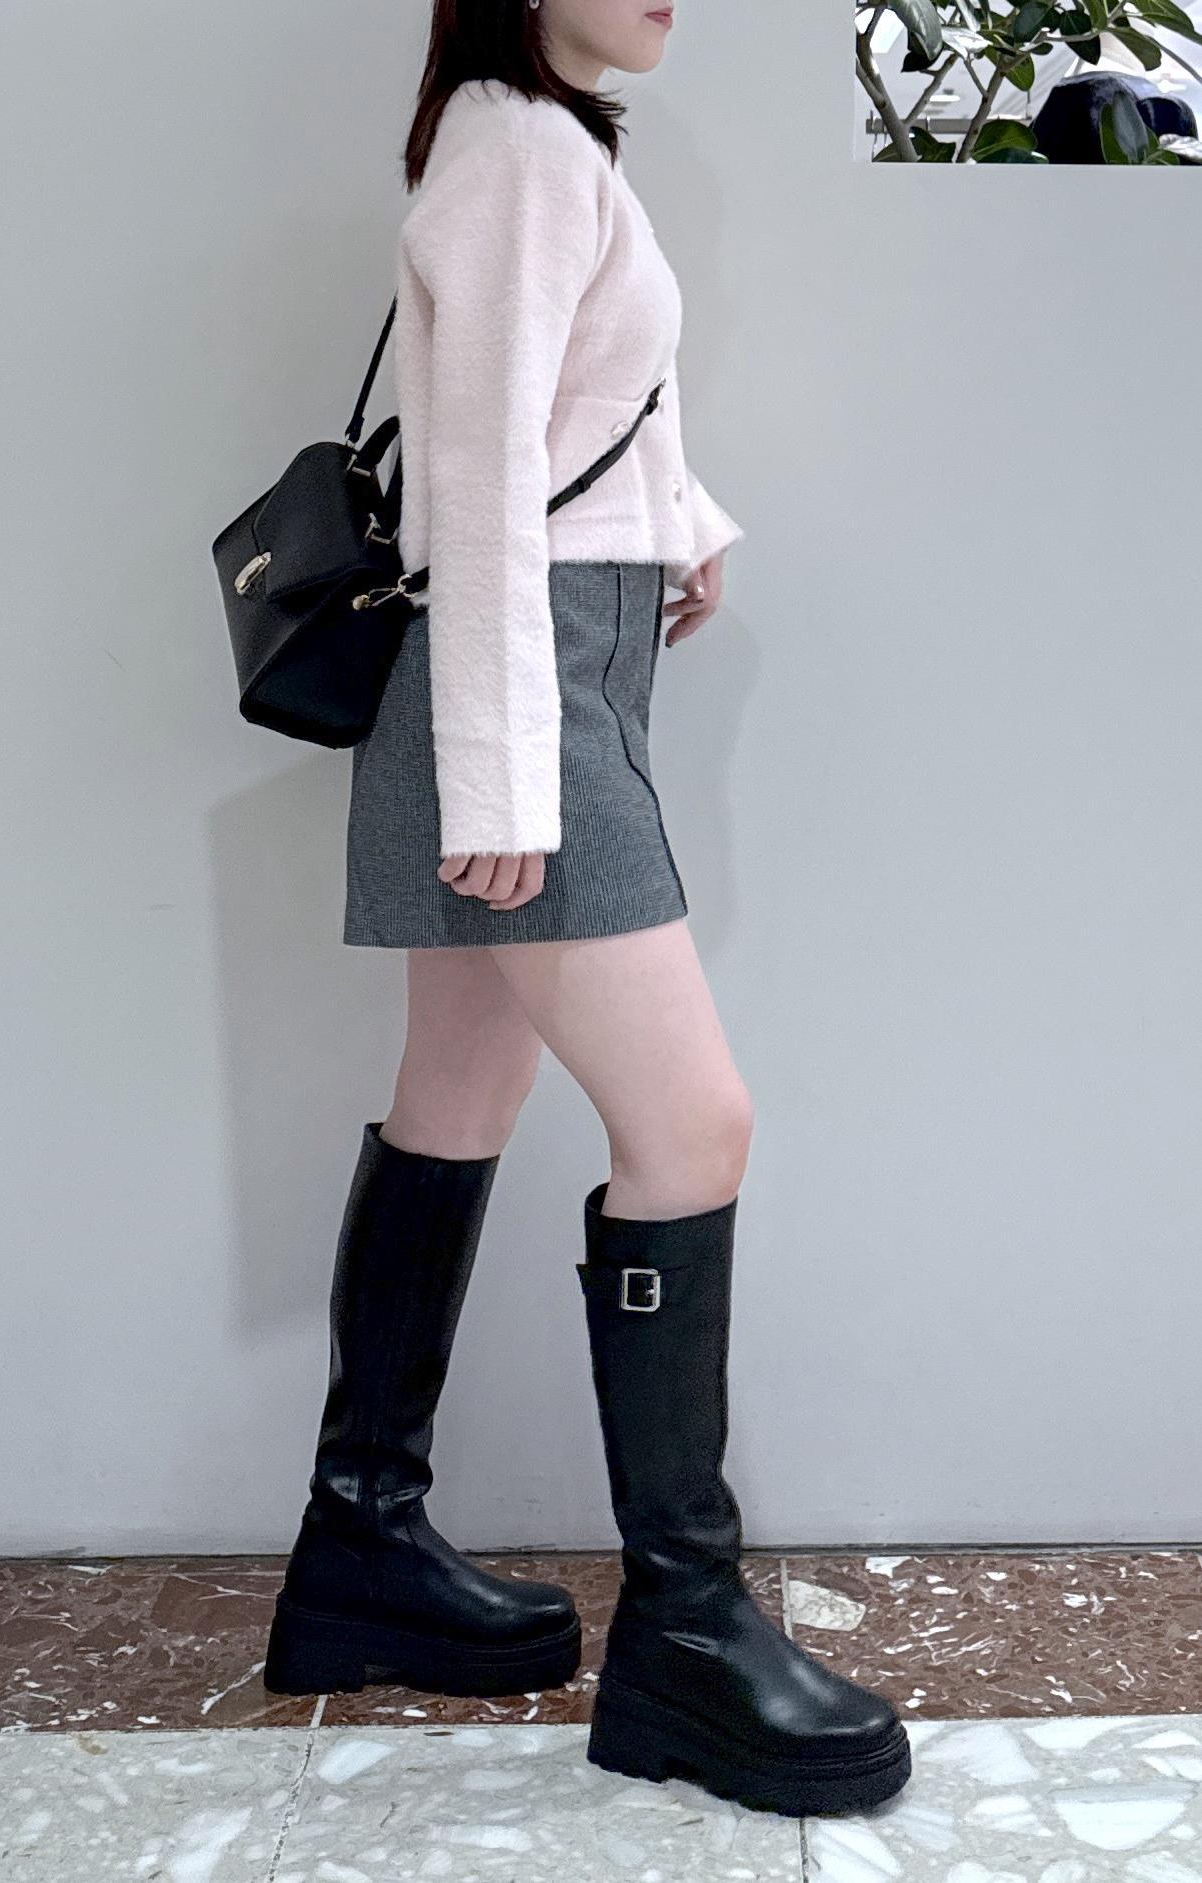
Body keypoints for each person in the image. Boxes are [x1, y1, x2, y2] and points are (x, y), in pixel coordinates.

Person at [264, 0, 912, 1820]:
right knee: (693, 1125)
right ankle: (684, 1633)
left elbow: (552, 409)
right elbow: (472, 475)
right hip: (522, 694)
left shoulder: (539, 143)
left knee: (456, 1099)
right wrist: (494, 776)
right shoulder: (514, 149)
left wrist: (675, 517)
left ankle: (360, 1545)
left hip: (565, 666)